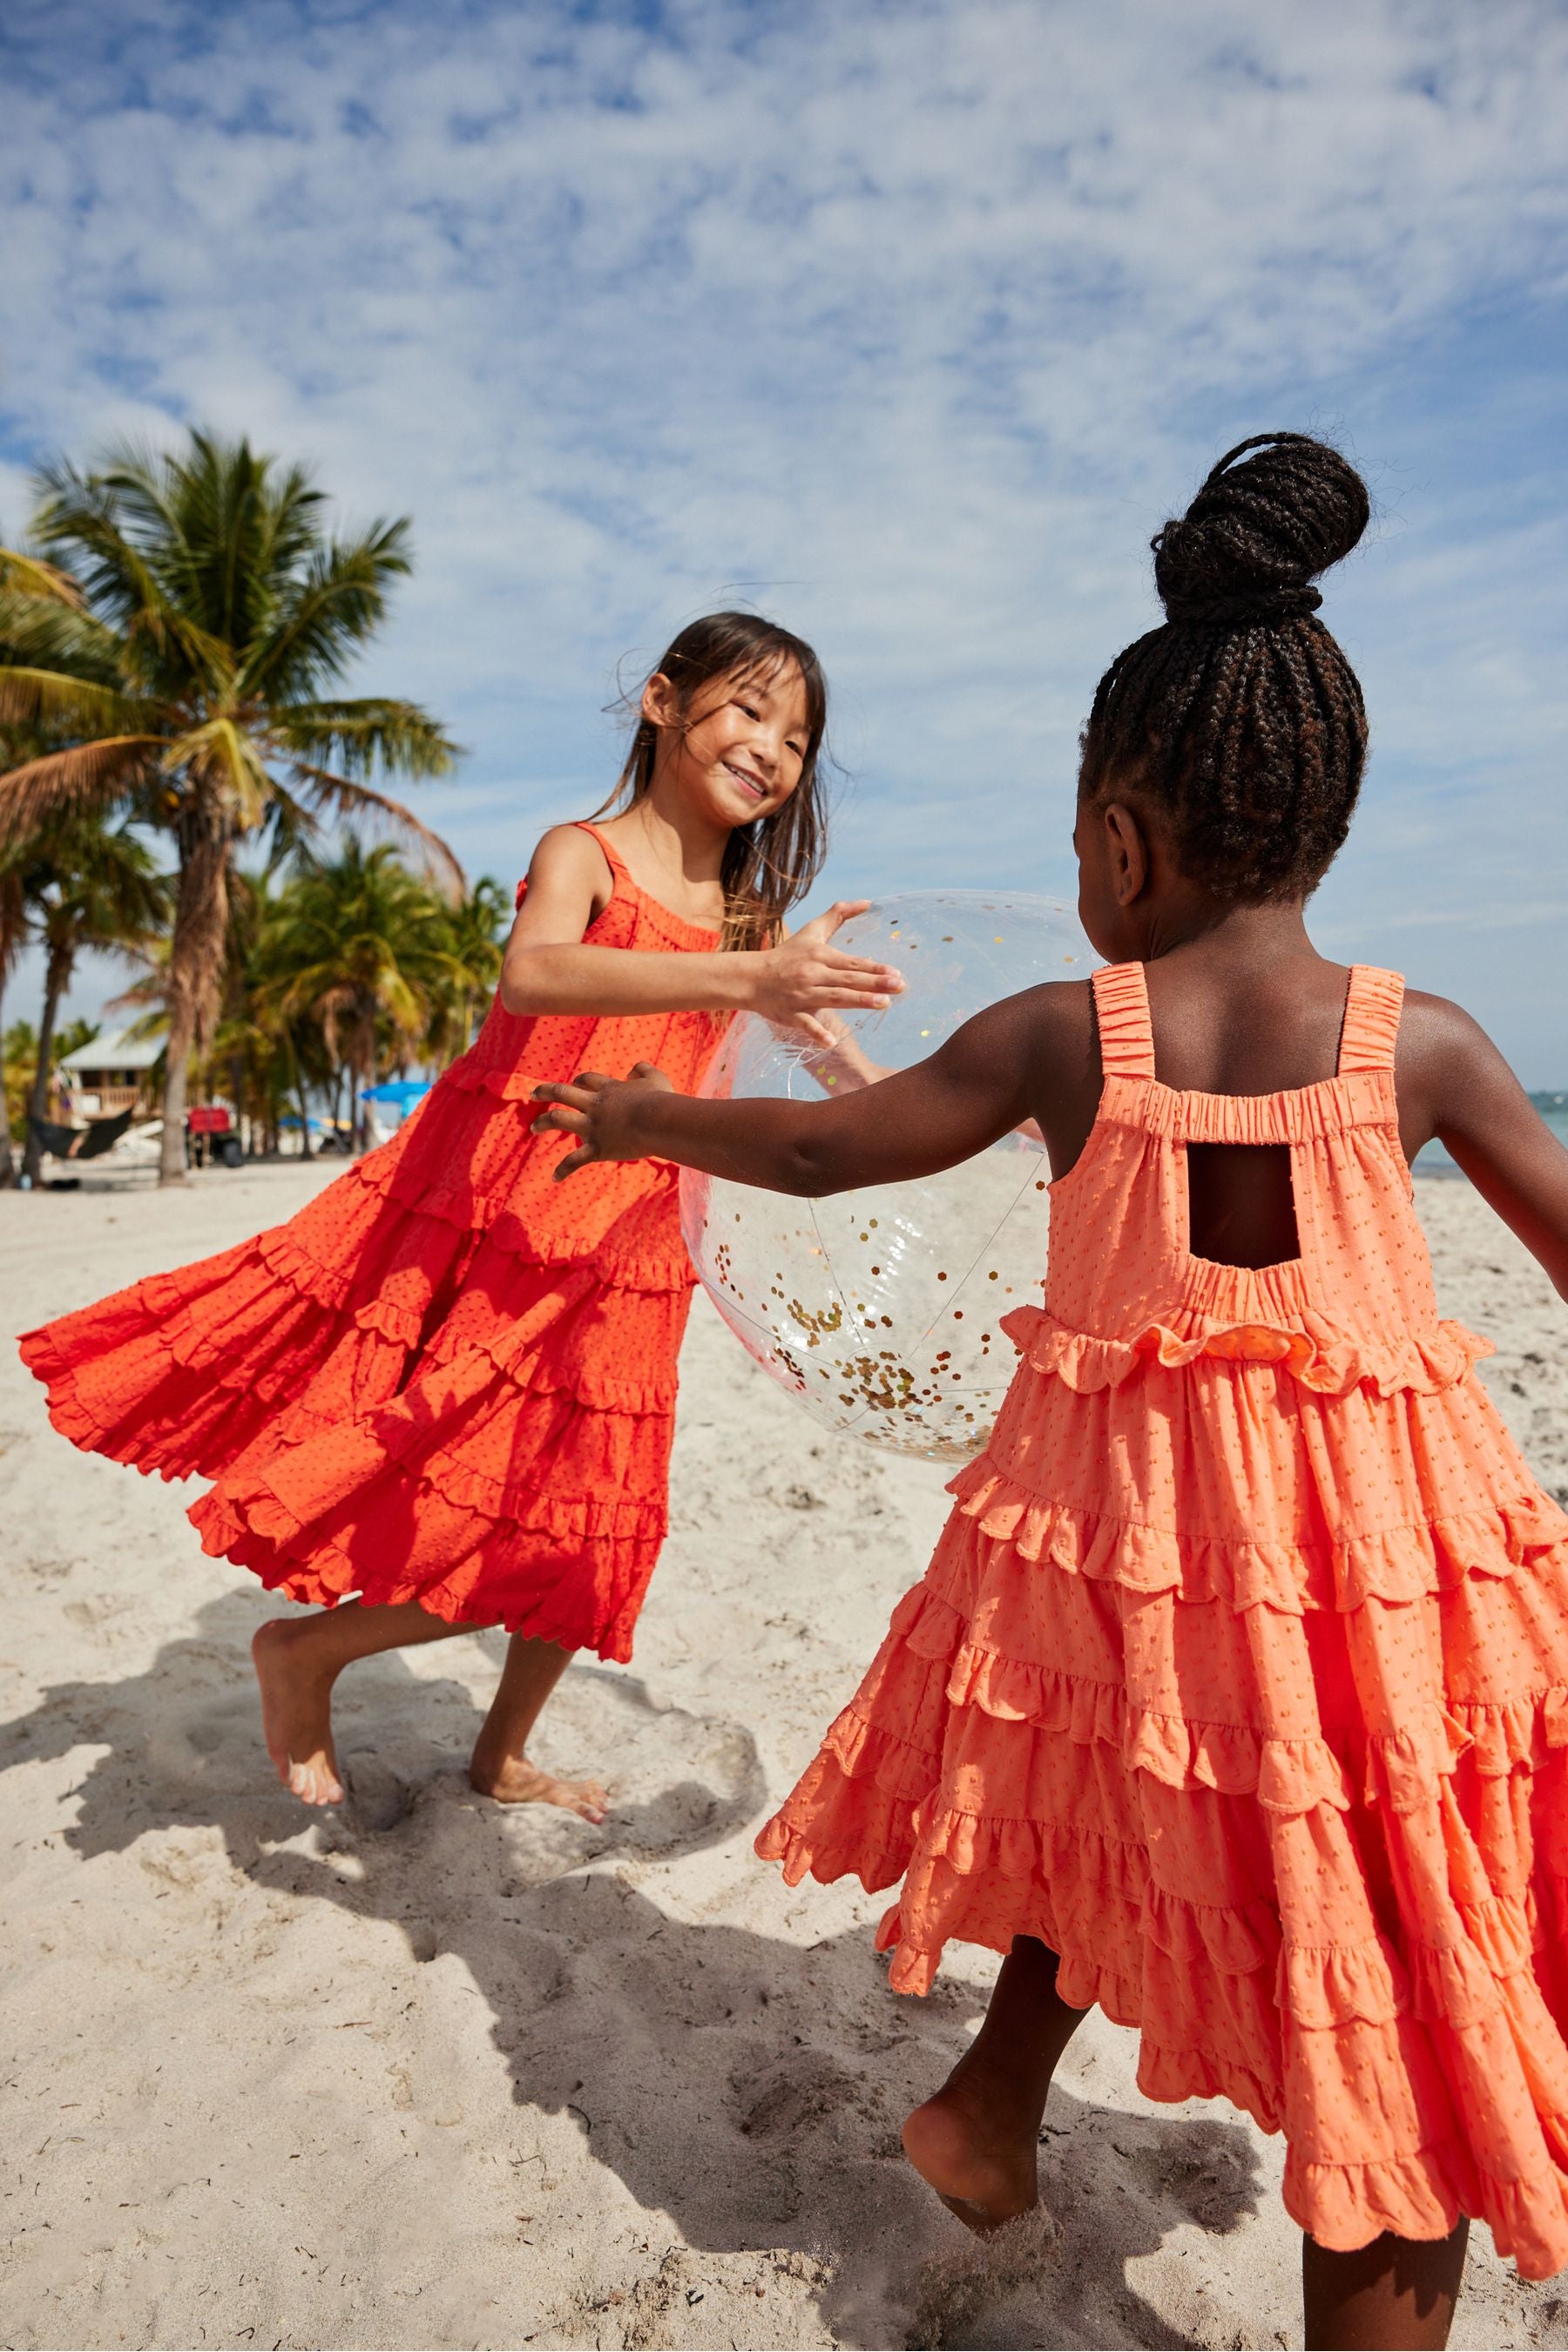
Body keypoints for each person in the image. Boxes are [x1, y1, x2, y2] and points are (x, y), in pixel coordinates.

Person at [531, 438, 1568, 2348]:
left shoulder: (1056, 1039)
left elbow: (834, 1152)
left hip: (1123, 1552)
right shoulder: (1423, 1040)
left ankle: (990, 2104)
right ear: (1323, 828)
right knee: (1397, 1955)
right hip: (1374, 1570)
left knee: (1103, 1799)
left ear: (1115, 841)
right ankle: (1044, 2136)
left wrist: (645, 1112)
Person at [20, 612, 901, 1819]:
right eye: (748, 710)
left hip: (639, 1254)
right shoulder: (584, 851)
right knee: (467, 1480)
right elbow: (536, 972)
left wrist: (953, 1109)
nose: (770, 750)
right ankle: (308, 1652)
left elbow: (818, 1043)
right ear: (662, 701)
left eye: (796, 738)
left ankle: (501, 1756)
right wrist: (752, 972)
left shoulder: (752, 916)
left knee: (591, 1524)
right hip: (506, 1226)